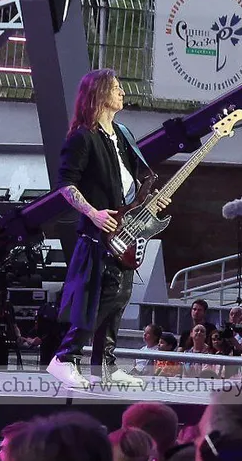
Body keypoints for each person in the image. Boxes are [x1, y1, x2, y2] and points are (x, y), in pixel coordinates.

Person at [46, 69, 165, 389]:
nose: (122, 92)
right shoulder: (82, 137)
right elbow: (65, 184)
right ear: (98, 93)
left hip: (125, 230)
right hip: (99, 234)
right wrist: (92, 213)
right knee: (99, 299)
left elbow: (133, 181)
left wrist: (150, 201)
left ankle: (105, 367)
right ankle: (65, 358)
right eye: (115, 87)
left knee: (120, 297)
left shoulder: (122, 134)